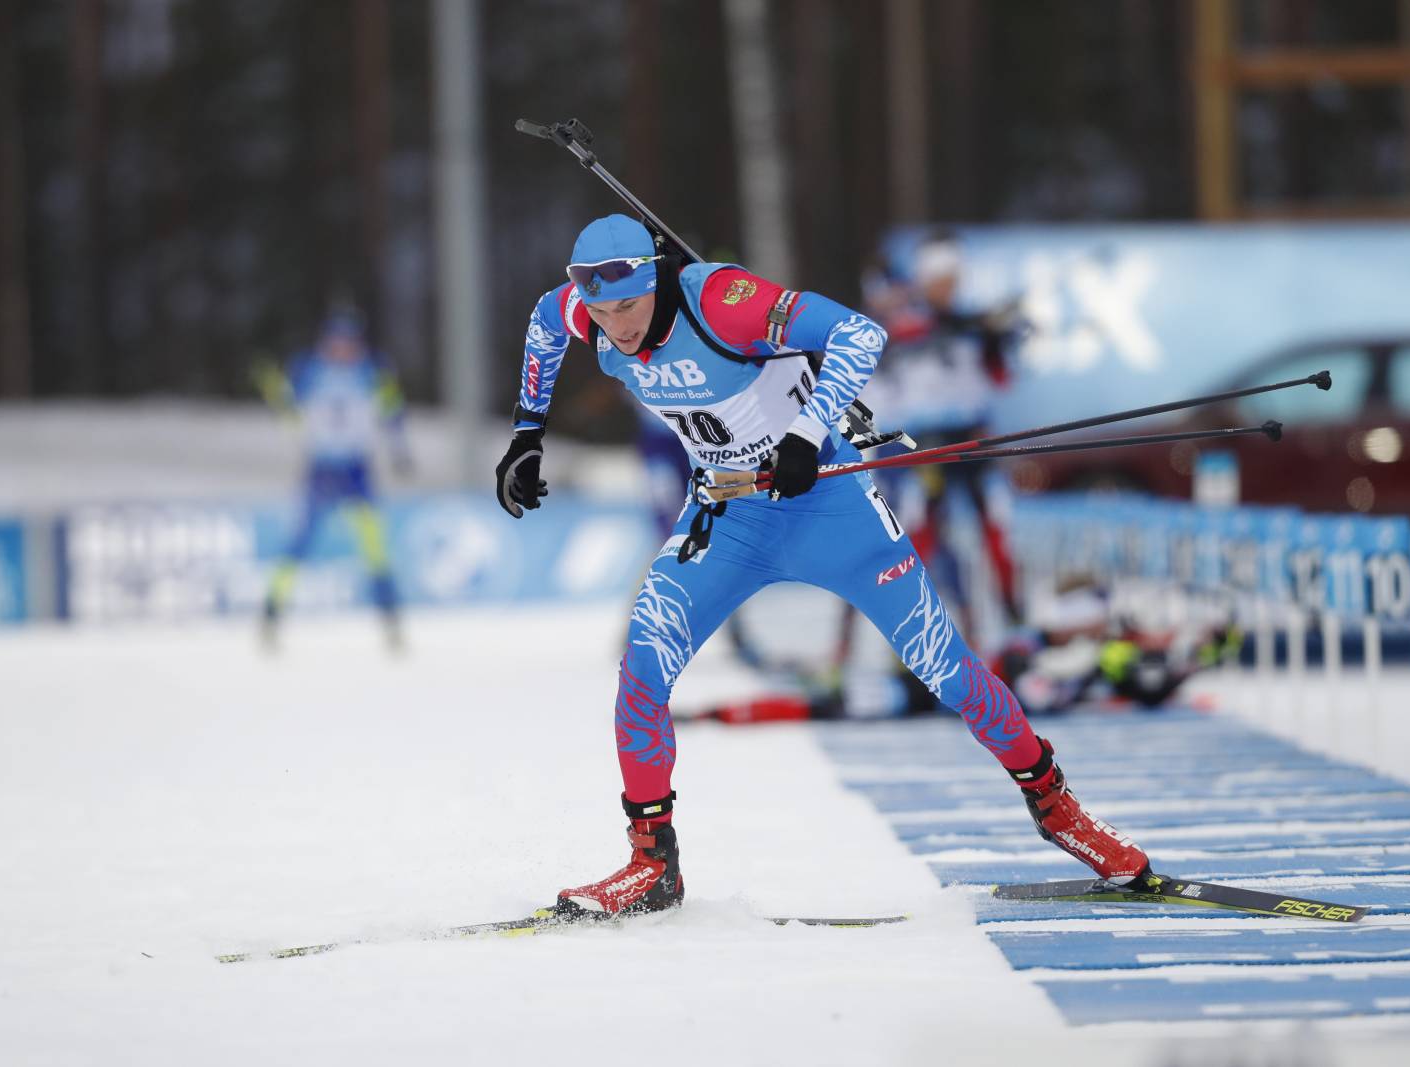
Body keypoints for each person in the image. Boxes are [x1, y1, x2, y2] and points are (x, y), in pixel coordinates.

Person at [494, 213, 1151, 918]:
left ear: (652, 279)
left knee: (948, 669)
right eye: (600, 310)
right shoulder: (586, 313)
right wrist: (527, 433)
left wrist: (808, 435)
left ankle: (1058, 810)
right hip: (728, 516)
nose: (615, 326)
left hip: (829, 507)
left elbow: (859, 334)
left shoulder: (721, 300)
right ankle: (652, 863)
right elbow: (542, 322)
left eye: (627, 305)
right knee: (643, 669)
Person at [862, 230, 1025, 632]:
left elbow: (1002, 379)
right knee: (920, 532)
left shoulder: (970, 324)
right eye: (938, 281)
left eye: (952, 280)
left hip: (973, 438)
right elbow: (884, 358)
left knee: (996, 526)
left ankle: (1013, 617)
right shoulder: (905, 323)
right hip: (926, 444)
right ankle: (910, 619)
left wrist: (998, 340)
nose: (946, 289)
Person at [253, 305, 409, 650]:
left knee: (374, 548)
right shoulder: (309, 369)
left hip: (356, 470)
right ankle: (270, 616)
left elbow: (391, 407)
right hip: (321, 469)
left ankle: (391, 621)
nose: (342, 349)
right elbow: (287, 405)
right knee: (299, 544)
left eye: (348, 342)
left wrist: (399, 446)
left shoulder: (371, 370)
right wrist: (275, 389)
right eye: (336, 342)